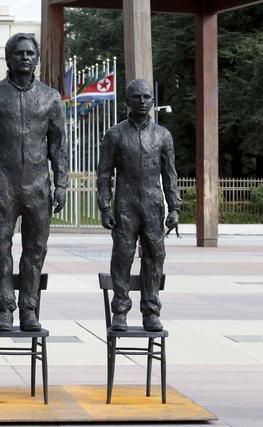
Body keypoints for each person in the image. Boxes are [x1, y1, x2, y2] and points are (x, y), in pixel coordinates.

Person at [0, 33, 68, 332]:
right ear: (8, 58)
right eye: (19, 53)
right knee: (0, 248)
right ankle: (5, 308)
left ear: (36, 58)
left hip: (38, 186)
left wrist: (62, 182)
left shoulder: (51, 98)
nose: (25, 57)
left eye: (30, 53)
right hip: (3, 183)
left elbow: (59, 145)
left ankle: (29, 308)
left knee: (35, 250)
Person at [96, 79, 181, 332]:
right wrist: (104, 206)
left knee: (155, 256)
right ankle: (120, 310)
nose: (142, 101)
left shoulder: (163, 136)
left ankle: (151, 310)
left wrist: (174, 207)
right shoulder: (115, 134)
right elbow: (103, 174)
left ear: (152, 102)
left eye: (146, 97)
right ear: (127, 101)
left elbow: (170, 174)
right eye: (136, 97)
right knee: (122, 256)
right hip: (125, 204)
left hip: (153, 205)